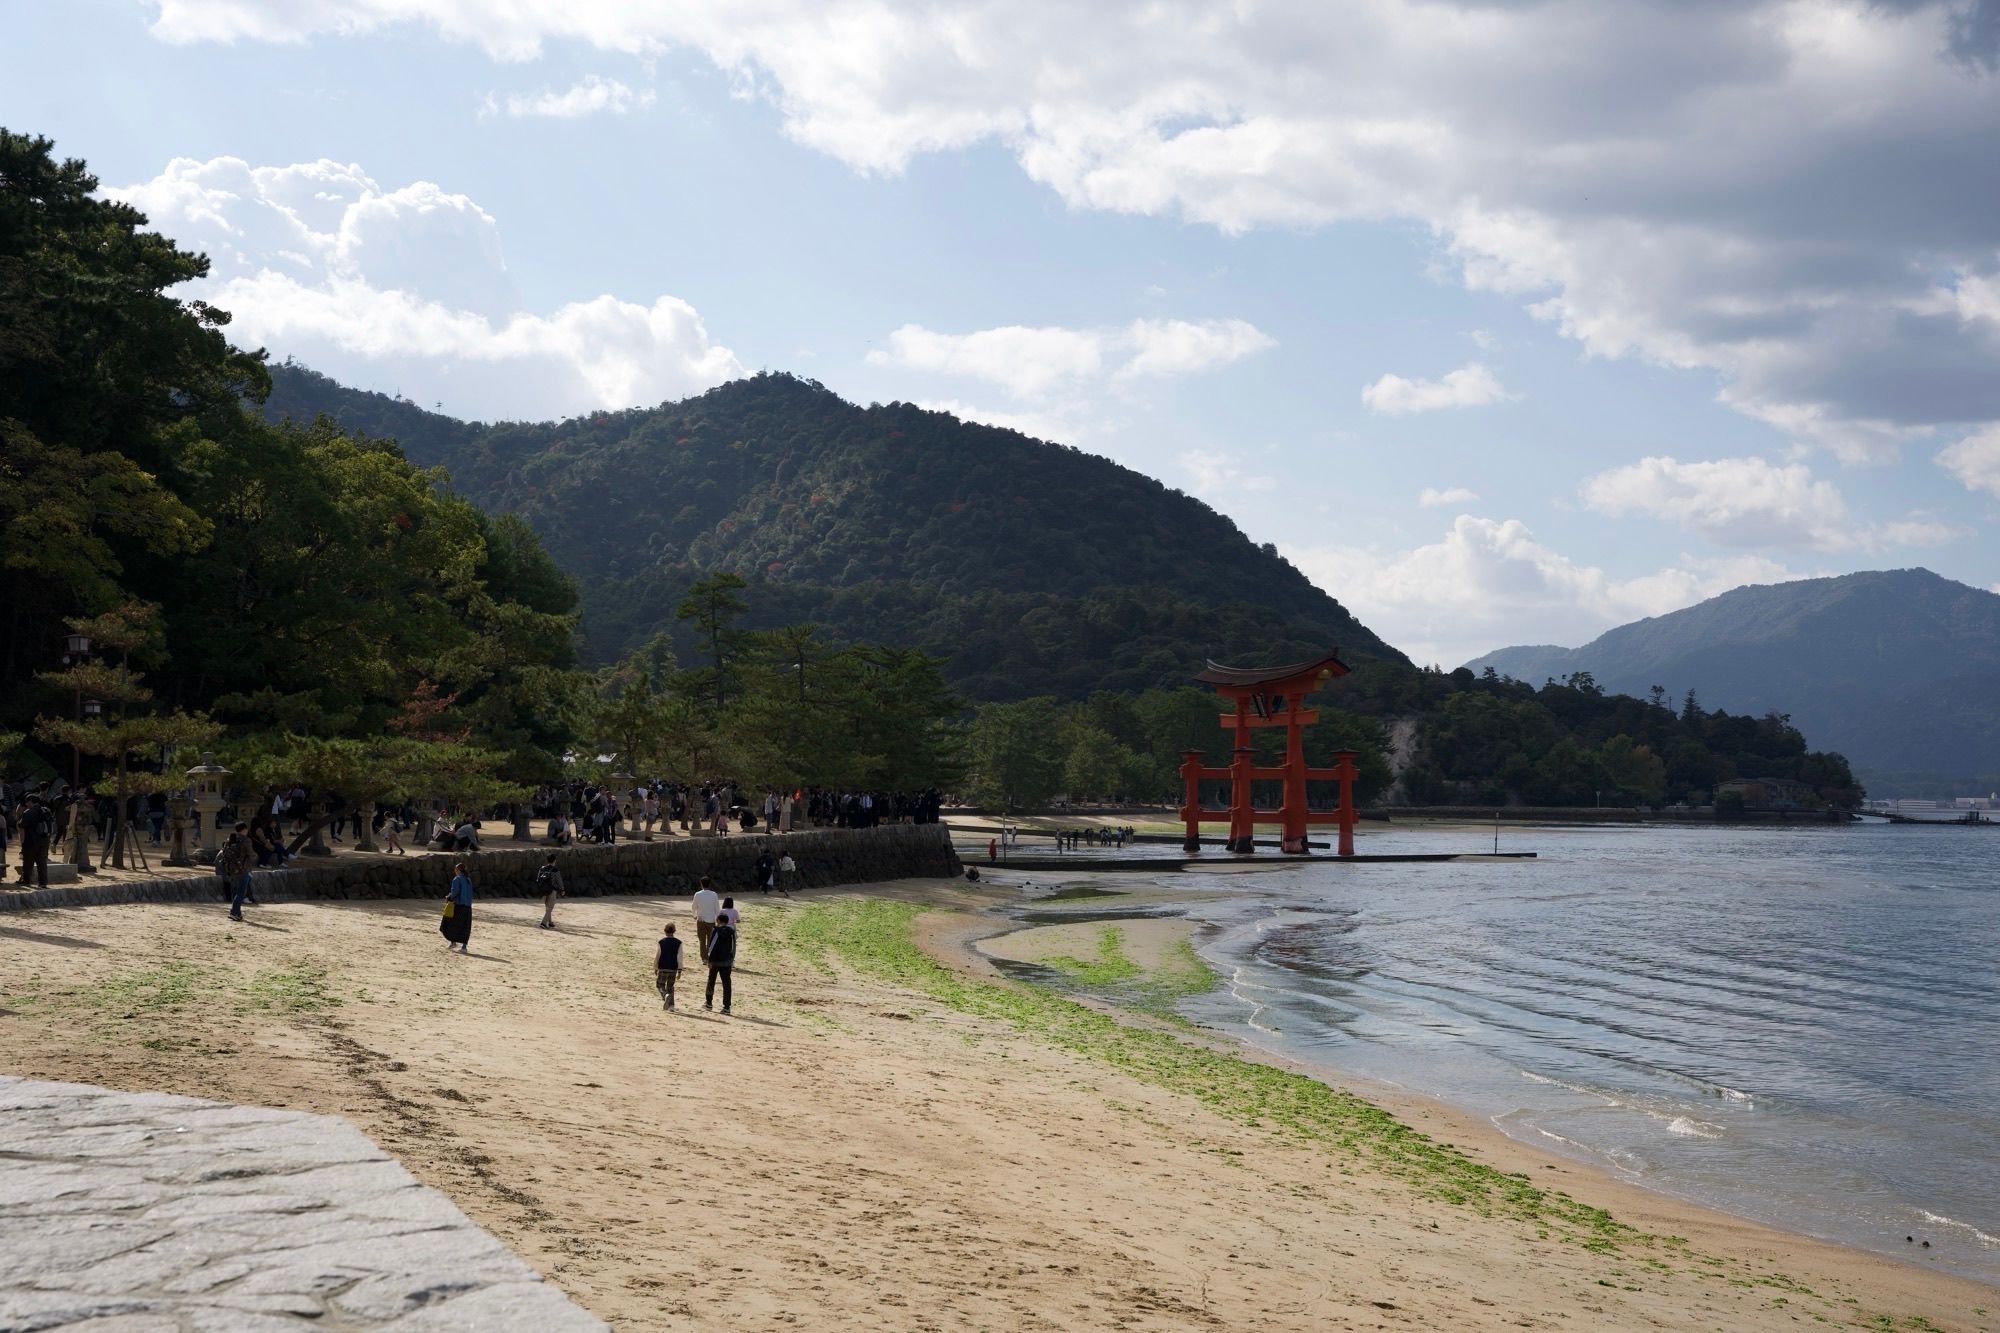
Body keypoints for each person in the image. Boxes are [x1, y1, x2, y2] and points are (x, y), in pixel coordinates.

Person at [218, 822, 257, 922]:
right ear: (244, 829)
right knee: (241, 892)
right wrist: (255, 857)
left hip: (231, 868)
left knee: (237, 891)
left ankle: (237, 913)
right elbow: (251, 854)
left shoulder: (230, 839)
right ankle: (234, 912)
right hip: (243, 868)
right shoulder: (246, 840)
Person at [705, 906, 737, 1013]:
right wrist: (732, 959)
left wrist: (709, 959)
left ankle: (709, 1003)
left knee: (711, 981)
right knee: (727, 984)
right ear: (727, 922)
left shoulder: (715, 930)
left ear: (718, 920)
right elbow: (733, 946)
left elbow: (712, 945)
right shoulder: (731, 931)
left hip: (715, 960)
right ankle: (726, 1007)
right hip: (727, 961)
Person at [16, 794, 53, 888]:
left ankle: (26, 880)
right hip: (44, 840)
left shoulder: (29, 812)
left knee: (27, 862)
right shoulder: (46, 810)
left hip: (31, 841)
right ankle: (43, 883)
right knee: (42, 863)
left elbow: (21, 825)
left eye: (27, 802)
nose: (26, 804)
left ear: (30, 801)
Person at [441, 861, 474, 953]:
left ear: (457, 870)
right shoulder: (468, 879)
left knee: (448, 923)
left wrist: (448, 897)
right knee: (465, 926)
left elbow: (455, 892)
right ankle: (464, 947)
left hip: (459, 906)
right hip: (468, 906)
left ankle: (453, 942)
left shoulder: (457, 879)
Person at [691, 877, 720, 960]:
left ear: (701, 884)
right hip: (711, 920)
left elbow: (694, 906)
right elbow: (717, 908)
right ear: (709, 884)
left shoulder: (698, 894)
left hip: (700, 920)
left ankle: (704, 958)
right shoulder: (714, 894)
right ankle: (710, 956)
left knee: (702, 941)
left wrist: (694, 915)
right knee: (711, 940)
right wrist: (718, 919)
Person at [656, 922, 683, 1010]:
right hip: (673, 968)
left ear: (665, 931)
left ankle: (665, 995)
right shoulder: (679, 943)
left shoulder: (661, 942)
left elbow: (658, 955)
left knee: (660, 984)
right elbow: (680, 957)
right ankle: (671, 1006)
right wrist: (679, 970)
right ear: (674, 931)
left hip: (663, 966)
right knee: (670, 987)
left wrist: (655, 967)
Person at [536, 853, 564, 929]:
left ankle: (550, 922)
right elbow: (559, 881)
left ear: (547, 860)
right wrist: (562, 889)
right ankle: (543, 923)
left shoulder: (542, 868)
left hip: (543, 891)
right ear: (554, 860)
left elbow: (538, 879)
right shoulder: (555, 870)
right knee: (550, 907)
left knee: (548, 907)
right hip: (552, 890)